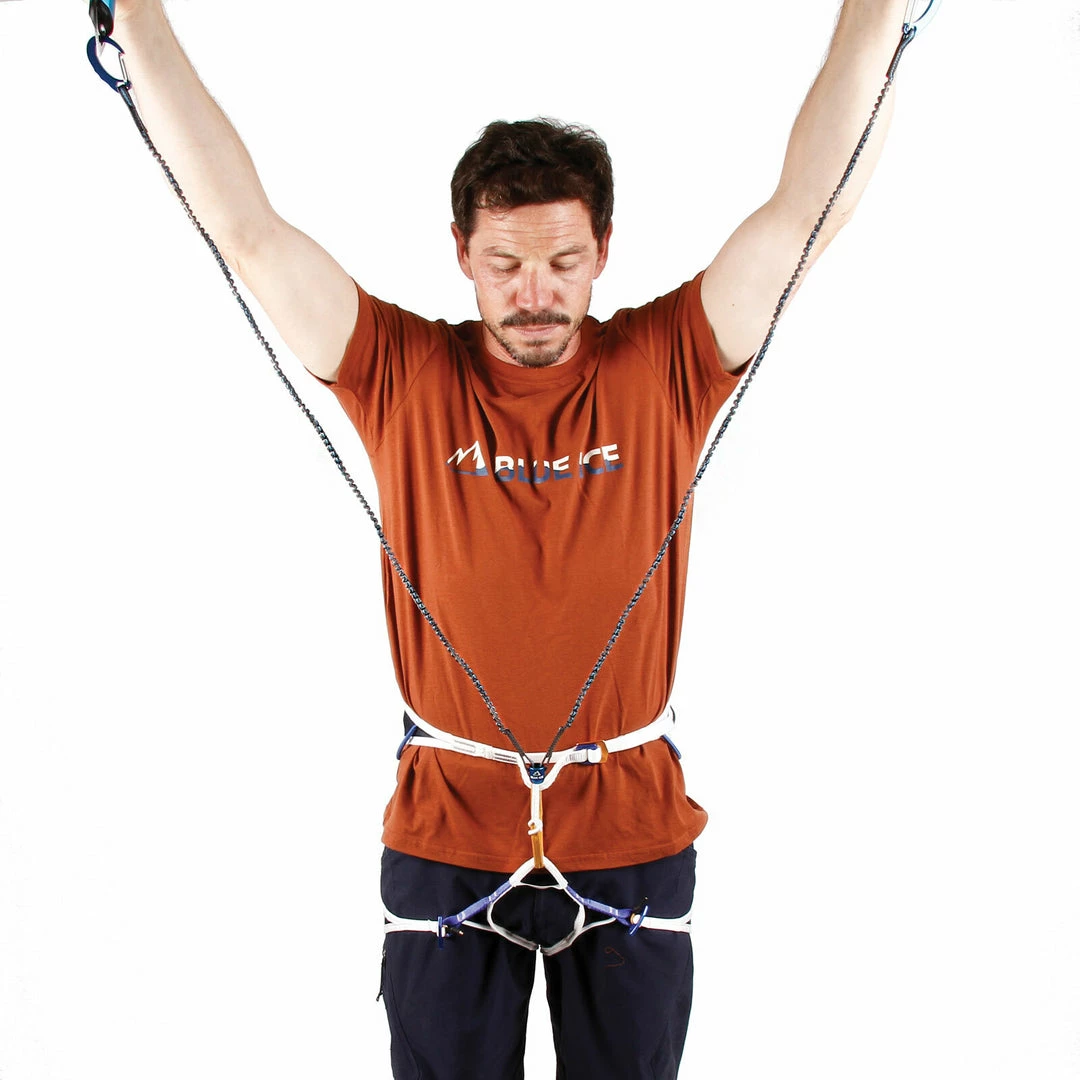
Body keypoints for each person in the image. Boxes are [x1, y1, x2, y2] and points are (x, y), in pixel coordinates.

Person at [109, 1, 916, 1076]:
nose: (535, 296)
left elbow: (811, 208)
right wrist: (135, 17)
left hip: (628, 830)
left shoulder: (665, 363)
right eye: (504, 265)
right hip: (448, 832)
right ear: (461, 252)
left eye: (564, 263)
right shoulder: (404, 373)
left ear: (603, 250)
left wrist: (879, 11)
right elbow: (248, 230)